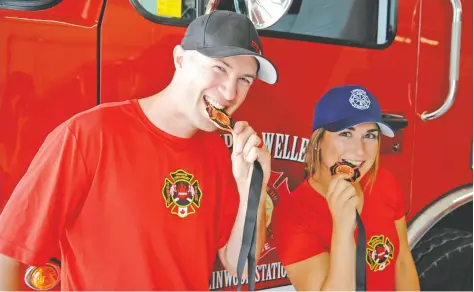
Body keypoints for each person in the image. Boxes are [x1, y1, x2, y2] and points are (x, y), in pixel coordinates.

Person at [0, 10, 278, 290]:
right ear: (180, 59)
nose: (230, 93)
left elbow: (240, 266)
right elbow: (7, 254)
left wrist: (252, 187)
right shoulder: (89, 135)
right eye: (220, 68)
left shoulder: (219, 155)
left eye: (245, 80)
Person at [272, 85, 420, 291]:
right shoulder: (293, 213)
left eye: (369, 136)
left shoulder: (384, 183)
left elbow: (402, 262)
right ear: (318, 142)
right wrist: (342, 229)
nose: (359, 151)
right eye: (345, 134)